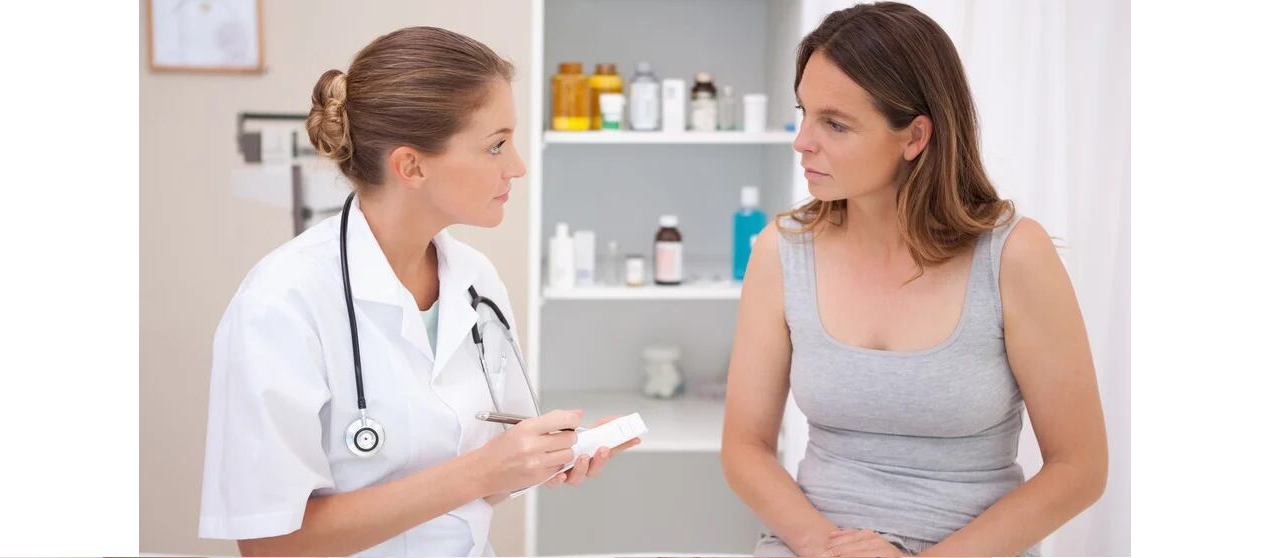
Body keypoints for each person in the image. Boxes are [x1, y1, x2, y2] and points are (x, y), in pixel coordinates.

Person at [198, 26, 637, 557]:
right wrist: (482, 471)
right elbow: (270, 544)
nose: (517, 167)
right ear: (411, 166)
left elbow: (485, 479)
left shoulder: (476, 281)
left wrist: (540, 459)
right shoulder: (281, 303)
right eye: (496, 145)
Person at [720, 3, 1107, 556]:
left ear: (915, 137)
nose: (802, 141)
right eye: (803, 112)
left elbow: (1079, 468)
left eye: (834, 123)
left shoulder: (1013, 256)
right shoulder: (780, 252)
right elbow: (745, 446)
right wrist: (822, 544)